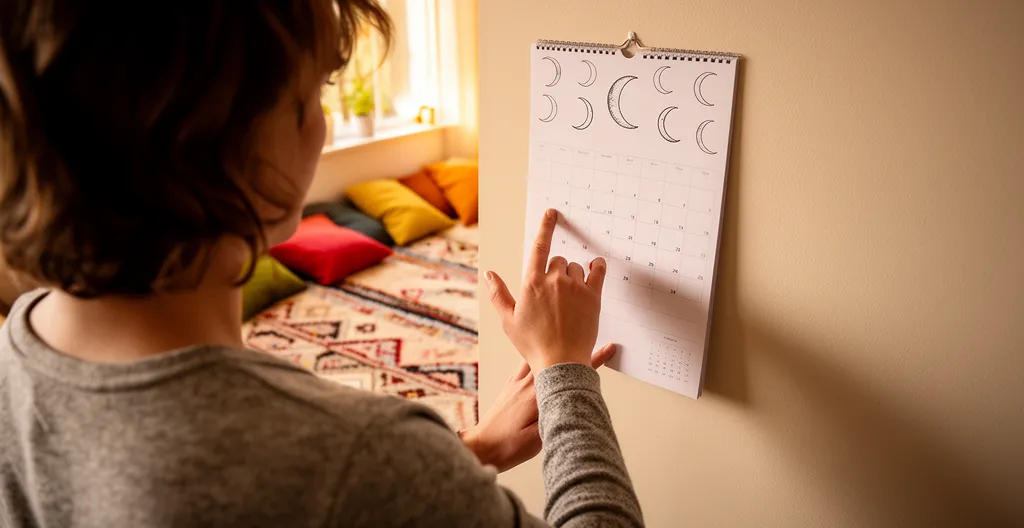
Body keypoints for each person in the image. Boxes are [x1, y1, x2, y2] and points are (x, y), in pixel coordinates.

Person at [0, 1, 644, 526]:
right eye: (313, 95)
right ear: (226, 141)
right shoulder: (359, 454)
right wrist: (562, 368)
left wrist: (462, 458)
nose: (325, 127)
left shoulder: (16, 346)